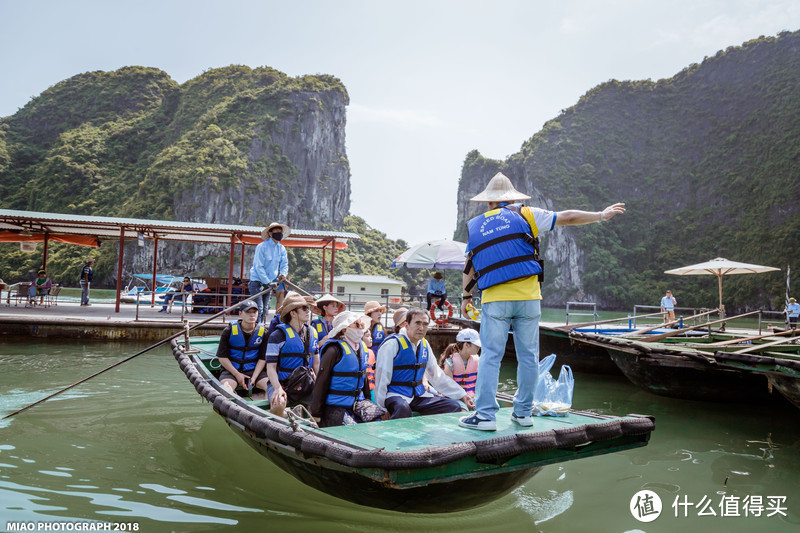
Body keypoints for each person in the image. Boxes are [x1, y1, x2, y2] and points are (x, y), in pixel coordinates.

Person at [459, 172, 625, 431]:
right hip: (529, 299)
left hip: (495, 299)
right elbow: (567, 217)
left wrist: (466, 297)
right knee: (528, 357)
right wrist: (601, 215)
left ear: (489, 202)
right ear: (512, 198)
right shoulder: (527, 214)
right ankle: (524, 413)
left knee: (491, 357)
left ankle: (485, 417)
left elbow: (470, 264)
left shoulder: (477, 225)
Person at [374, 307, 474, 419]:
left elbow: (437, 377)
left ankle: (431, 434)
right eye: (417, 323)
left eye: (425, 324)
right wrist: (381, 408)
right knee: (402, 407)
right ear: (407, 325)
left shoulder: (425, 345)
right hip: (395, 395)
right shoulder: (392, 344)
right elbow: (381, 379)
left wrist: (462, 395)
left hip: (419, 395)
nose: (421, 328)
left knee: (452, 406)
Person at [311, 311, 387, 427]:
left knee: (376, 422)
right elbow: (321, 381)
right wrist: (316, 412)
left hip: (358, 403)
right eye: (356, 325)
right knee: (350, 428)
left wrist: (367, 402)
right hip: (336, 405)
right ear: (344, 329)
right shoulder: (333, 350)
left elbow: (363, 377)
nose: (360, 328)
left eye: (361, 325)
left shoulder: (362, 348)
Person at [265, 291, 320, 407]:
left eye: (308, 308)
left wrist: (321, 385)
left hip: (306, 382)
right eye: (304, 308)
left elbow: (316, 363)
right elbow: (271, 367)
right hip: (282, 383)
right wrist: (278, 388)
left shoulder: (313, 333)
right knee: (278, 404)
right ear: (293, 313)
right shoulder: (277, 335)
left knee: (323, 402)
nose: (308, 311)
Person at [216, 300, 269, 394]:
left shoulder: (264, 332)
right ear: (240, 313)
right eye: (248, 312)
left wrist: (254, 377)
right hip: (232, 370)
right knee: (226, 390)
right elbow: (222, 357)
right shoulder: (228, 331)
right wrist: (237, 374)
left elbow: (262, 358)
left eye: (254, 312)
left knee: (271, 388)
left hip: (254, 370)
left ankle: (269, 409)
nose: (252, 315)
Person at [249, 222, 290, 323]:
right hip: (258, 281)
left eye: (280, 232)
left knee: (265, 309)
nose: (279, 234)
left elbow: (284, 264)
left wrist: (283, 274)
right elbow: (259, 267)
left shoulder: (281, 248)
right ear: (270, 234)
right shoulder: (262, 247)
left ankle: (261, 329)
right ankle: (256, 330)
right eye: (276, 232)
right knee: (259, 308)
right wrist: (267, 281)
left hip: (271, 282)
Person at [440, 328, 481, 398]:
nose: (479, 347)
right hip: (455, 398)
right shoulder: (450, 363)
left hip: (473, 396)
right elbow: (449, 387)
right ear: (466, 345)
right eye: (476, 345)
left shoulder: (478, 361)